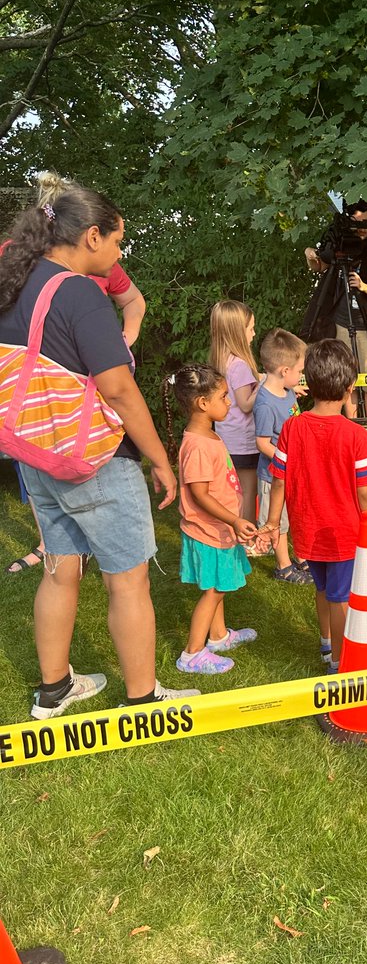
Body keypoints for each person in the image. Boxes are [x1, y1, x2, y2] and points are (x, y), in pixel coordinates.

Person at [0, 184, 199, 714]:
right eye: (117, 241)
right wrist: (160, 460)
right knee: (128, 581)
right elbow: (118, 389)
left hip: (37, 451)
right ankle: (142, 699)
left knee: (60, 568)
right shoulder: (80, 292)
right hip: (93, 459)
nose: (119, 254)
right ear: (92, 235)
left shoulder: (16, 279)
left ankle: (54, 690)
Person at [261, 339, 367, 671]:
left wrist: (273, 522)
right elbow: (366, 492)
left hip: (307, 531)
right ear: (350, 387)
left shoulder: (291, 427)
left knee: (323, 588)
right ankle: (341, 663)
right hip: (345, 533)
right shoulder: (356, 435)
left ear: (308, 383)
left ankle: (327, 644)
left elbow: (279, 480)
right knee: (341, 599)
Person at [163, 365, 262, 676]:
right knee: (215, 590)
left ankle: (218, 636)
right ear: (202, 403)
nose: (229, 402)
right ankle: (192, 654)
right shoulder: (198, 445)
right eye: (223, 397)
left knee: (218, 586)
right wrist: (234, 520)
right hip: (210, 531)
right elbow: (201, 495)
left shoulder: (206, 435)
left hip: (218, 529)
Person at [303, 199, 367, 418]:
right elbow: (319, 265)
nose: (362, 228)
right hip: (341, 323)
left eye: (366, 222)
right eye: (357, 222)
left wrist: (365, 287)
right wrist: (310, 254)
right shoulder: (340, 248)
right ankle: (351, 427)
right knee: (347, 381)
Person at [253, 328, 312, 583]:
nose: (301, 376)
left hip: (293, 472)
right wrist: (286, 458)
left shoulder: (287, 391)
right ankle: (283, 567)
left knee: (295, 516)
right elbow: (262, 443)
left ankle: (300, 558)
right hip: (273, 476)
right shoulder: (265, 404)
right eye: (299, 371)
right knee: (278, 522)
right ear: (284, 371)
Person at [208, 299, 261, 527]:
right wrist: (265, 385)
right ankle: (247, 533)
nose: (254, 334)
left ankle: (235, 528)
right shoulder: (239, 365)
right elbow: (246, 404)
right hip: (244, 440)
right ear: (237, 332)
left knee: (234, 488)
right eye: (250, 329)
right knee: (249, 490)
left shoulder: (222, 361)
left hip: (228, 437)